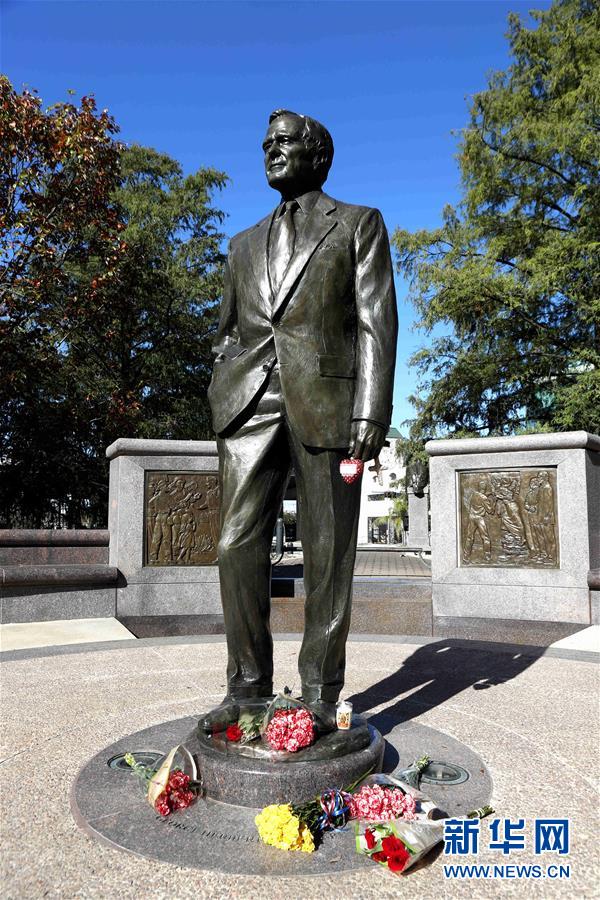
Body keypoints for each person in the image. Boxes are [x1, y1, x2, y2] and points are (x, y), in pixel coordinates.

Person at [202, 109, 397, 734]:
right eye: (266, 143)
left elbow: (375, 322)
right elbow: (226, 330)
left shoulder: (358, 223)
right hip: (248, 405)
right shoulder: (242, 244)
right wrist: (223, 379)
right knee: (235, 545)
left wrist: (371, 408)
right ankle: (246, 688)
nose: (271, 150)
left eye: (284, 141)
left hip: (328, 403)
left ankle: (319, 691)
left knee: (328, 553)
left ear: (318, 154)